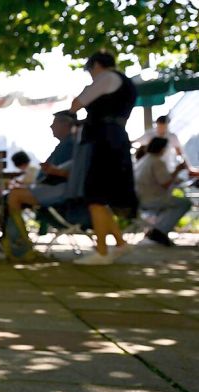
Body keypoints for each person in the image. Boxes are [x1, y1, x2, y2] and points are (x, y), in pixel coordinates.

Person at [68, 51, 138, 265]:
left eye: (90, 69)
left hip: (104, 141)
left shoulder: (106, 78)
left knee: (95, 195)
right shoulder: (126, 83)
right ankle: (119, 243)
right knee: (101, 197)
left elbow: (77, 103)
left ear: (97, 64)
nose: (90, 75)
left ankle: (102, 252)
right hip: (117, 138)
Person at [2, 112, 80, 260]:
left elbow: (70, 172)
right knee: (13, 195)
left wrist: (52, 171)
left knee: (14, 196)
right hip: (55, 187)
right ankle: (18, 245)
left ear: (65, 125)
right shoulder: (69, 144)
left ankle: (20, 248)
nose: (51, 126)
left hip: (61, 189)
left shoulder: (71, 144)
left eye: (55, 123)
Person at [134, 137, 192, 247]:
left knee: (174, 204)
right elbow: (165, 183)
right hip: (152, 199)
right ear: (162, 149)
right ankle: (159, 231)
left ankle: (157, 230)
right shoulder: (157, 161)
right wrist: (178, 170)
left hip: (141, 198)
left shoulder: (144, 160)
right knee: (185, 203)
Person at [134, 116, 199, 177]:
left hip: (166, 166)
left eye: (164, 126)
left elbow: (179, 153)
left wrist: (188, 168)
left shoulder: (172, 136)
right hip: (150, 167)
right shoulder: (149, 135)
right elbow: (135, 143)